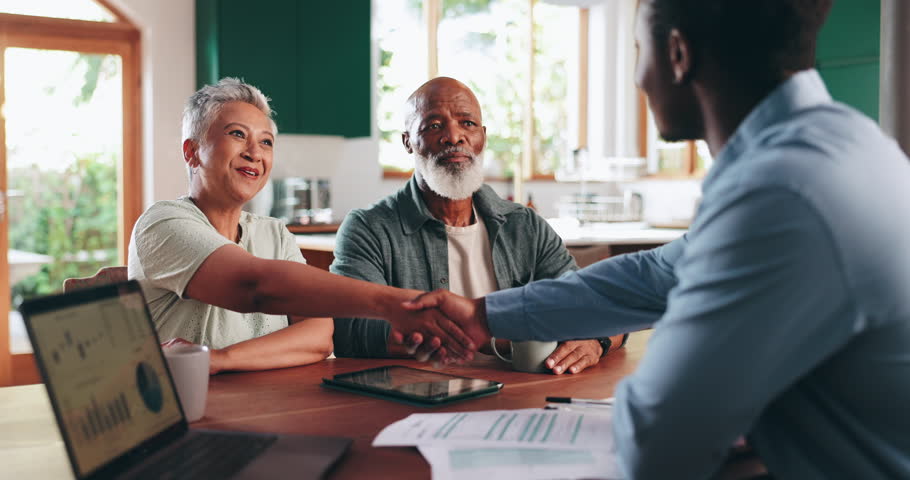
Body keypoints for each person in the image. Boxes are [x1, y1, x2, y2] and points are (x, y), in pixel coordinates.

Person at [393, 1, 910, 478]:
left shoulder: (781, 190)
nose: (639, 77)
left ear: (679, 55)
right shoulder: (843, 144)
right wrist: (484, 316)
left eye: (640, 50)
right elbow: (656, 276)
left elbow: (659, 442)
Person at [128, 78, 471, 375]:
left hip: (270, 407)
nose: (254, 153)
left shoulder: (273, 233)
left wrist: (219, 359)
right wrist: (394, 304)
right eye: (237, 135)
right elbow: (253, 286)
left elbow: (318, 335)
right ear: (192, 152)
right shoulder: (162, 223)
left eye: (266, 142)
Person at [331, 77, 625, 374]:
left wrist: (595, 342)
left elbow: (594, 307)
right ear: (408, 142)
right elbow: (350, 329)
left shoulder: (526, 227)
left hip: (519, 395)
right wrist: (491, 336)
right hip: (417, 399)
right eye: (434, 126)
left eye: (467, 124)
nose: (454, 137)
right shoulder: (368, 229)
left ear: (482, 137)